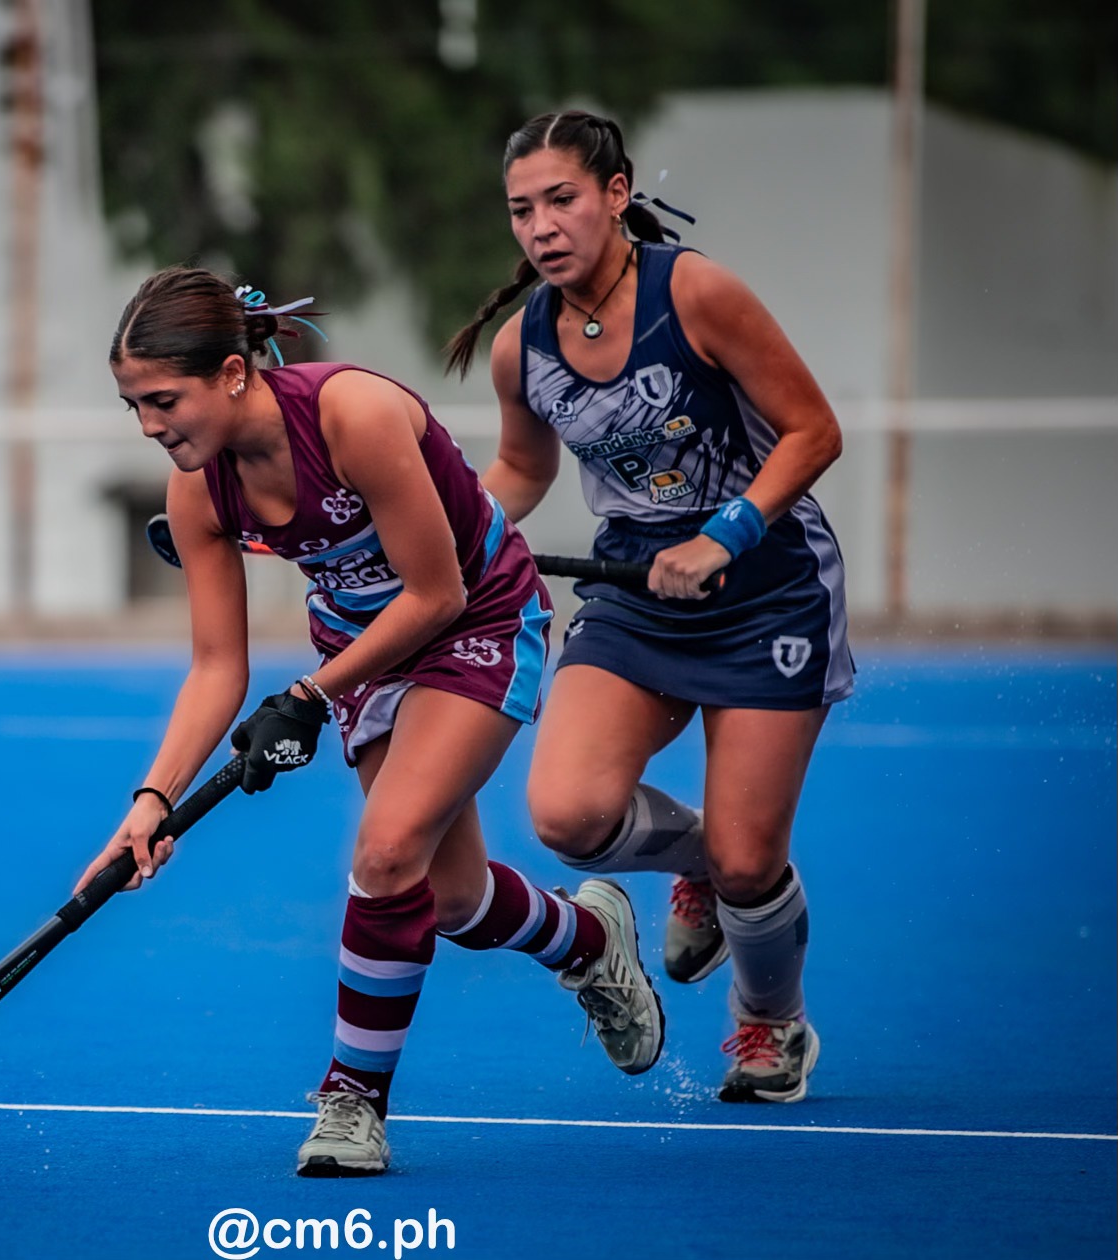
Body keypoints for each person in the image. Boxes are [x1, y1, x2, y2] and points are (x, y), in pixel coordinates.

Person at [76, 265, 667, 1177]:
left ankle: (352, 1101)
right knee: (450, 898)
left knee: (386, 853)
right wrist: (152, 800)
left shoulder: (352, 415)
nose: (152, 426)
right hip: (362, 648)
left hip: (475, 619)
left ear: (232, 373)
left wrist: (308, 698)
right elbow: (215, 666)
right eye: (135, 409)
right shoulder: (196, 489)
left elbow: (437, 593)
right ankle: (587, 939)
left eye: (163, 400)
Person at [445, 110, 853, 1104]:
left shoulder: (697, 294)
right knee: (569, 817)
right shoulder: (522, 347)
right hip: (635, 594)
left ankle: (770, 1026)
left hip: (768, 590)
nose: (540, 227)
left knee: (756, 863)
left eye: (561, 200)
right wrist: (438, 535)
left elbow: (812, 432)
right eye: (520, 211)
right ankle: (705, 868)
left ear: (616, 195)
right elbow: (519, 470)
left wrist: (726, 535)